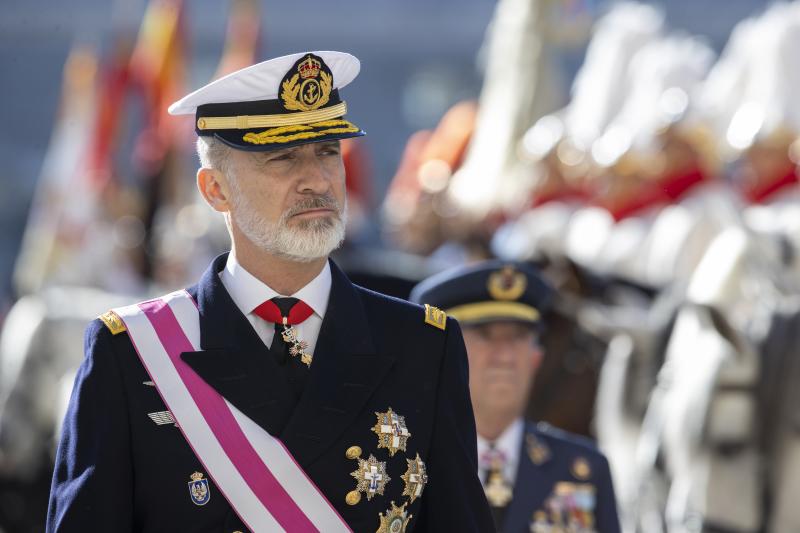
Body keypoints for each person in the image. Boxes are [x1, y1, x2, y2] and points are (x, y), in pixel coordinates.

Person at [46, 51, 494, 533]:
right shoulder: (132, 352)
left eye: (328, 151)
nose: (318, 179)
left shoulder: (424, 345)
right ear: (216, 189)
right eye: (283, 158)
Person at [411, 260, 620, 533]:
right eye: (485, 335)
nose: (505, 356)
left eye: (519, 336)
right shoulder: (407, 465)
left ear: (537, 356)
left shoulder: (584, 470)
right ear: (443, 353)